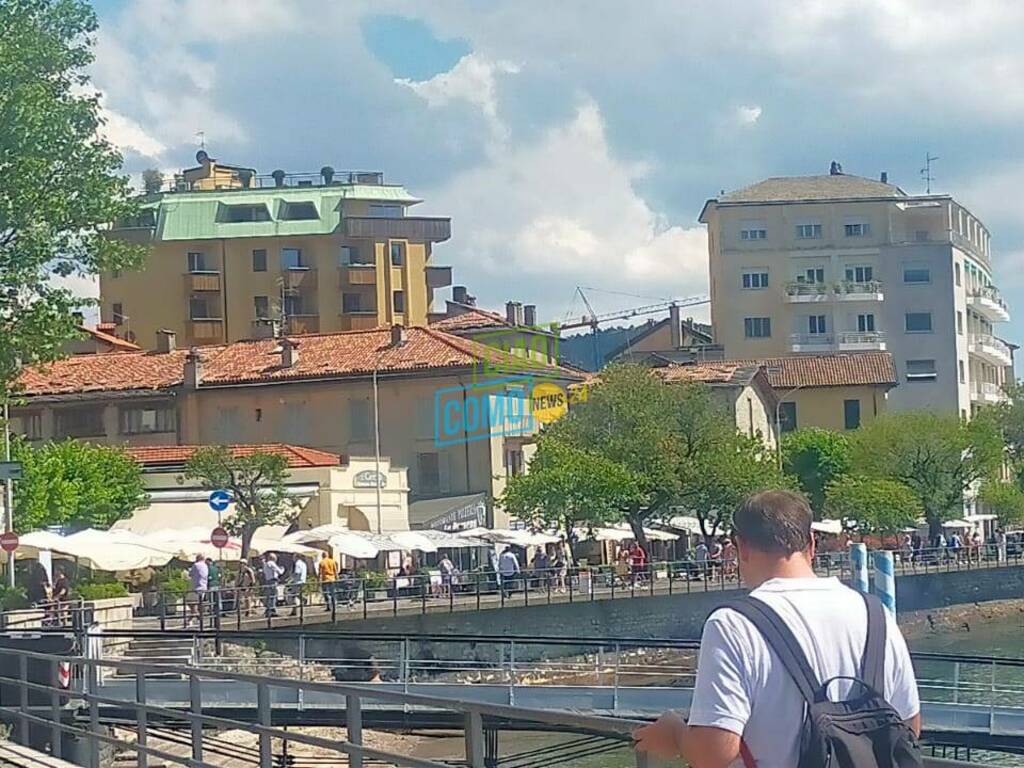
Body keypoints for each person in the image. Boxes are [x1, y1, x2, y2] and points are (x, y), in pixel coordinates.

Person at [633, 490, 920, 767]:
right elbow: (908, 726)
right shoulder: (875, 613)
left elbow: (713, 752)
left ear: (741, 547)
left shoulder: (733, 623)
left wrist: (675, 734)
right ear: (811, 543)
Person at [187, 554, 208, 627]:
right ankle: (192, 620)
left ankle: (197, 618)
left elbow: (190, 574)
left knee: (190, 603)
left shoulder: (196, 565)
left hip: (195, 587)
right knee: (196, 604)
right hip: (203, 587)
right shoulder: (205, 566)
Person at [261, 552, 284, 617]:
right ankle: (272, 611)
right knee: (273, 596)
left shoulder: (266, 564)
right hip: (273, 581)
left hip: (267, 580)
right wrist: (283, 569)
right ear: (274, 558)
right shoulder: (271, 563)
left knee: (269, 596)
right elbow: (279, 572)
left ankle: (268, 610)